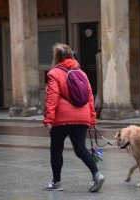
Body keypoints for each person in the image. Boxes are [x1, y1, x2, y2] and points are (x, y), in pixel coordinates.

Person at [43, 43, 104, 192]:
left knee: (56, 149)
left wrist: (49, 119)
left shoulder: (54, 73)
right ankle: (97, 174)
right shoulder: (82, 73)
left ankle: (56, 182)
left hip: (62, 118)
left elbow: (52, 98)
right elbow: (90, 97)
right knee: (81, 149)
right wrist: (92, 119)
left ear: (56, 57)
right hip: (82, 117)